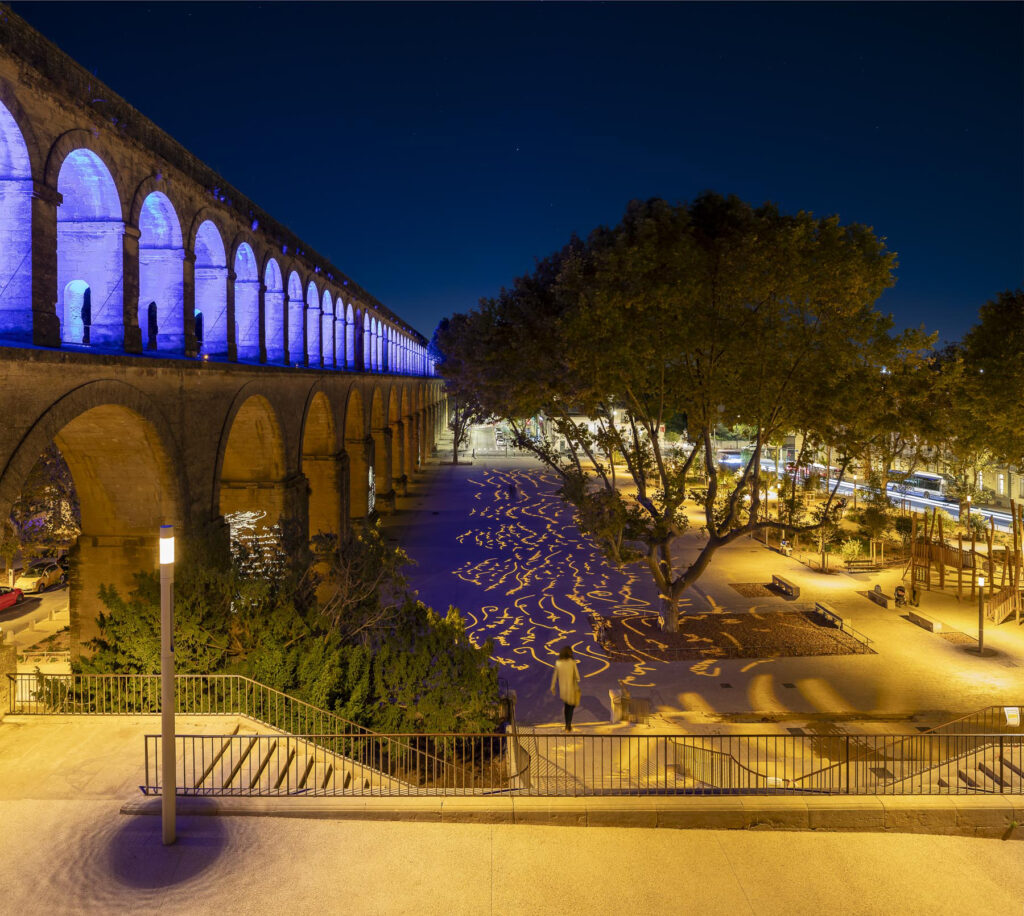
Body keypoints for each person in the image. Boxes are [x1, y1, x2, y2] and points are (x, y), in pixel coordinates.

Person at [550, 645, 581, 732]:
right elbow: (577, 676)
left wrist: (552, 686)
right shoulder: (572, 662)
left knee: (567, 705)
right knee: (571, 705)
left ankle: (567, 724)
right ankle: (568, 725)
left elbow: (555, 676)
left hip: (563, 688)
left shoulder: (558, 663)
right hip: (572, 687)